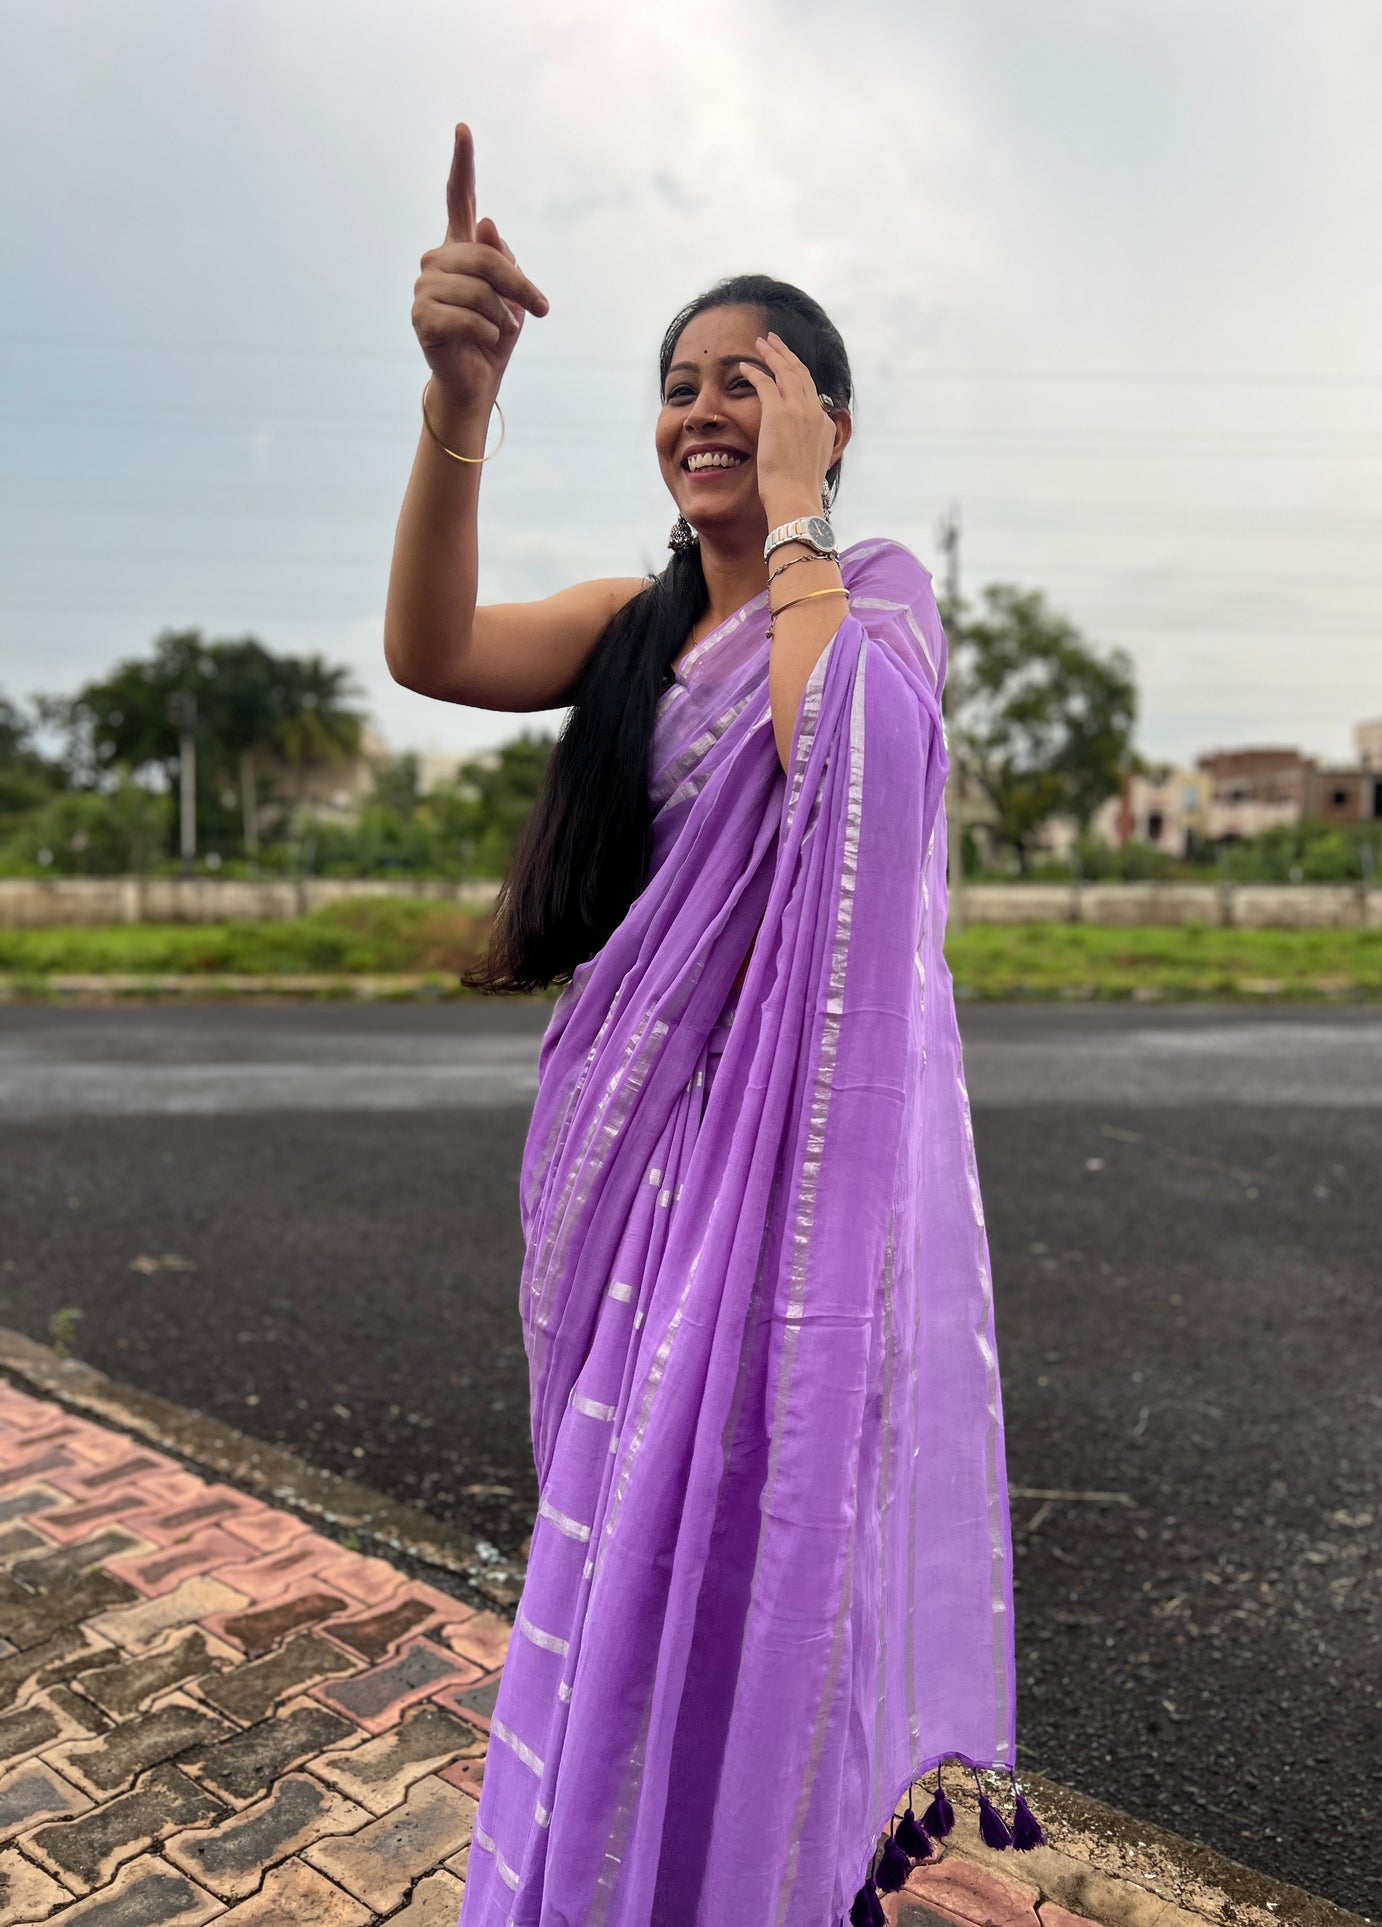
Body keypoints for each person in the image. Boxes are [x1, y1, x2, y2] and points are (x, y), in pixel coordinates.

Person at [385, 122, 1039, 1927]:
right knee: (625, 1537)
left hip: (797, 1182)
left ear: (823, 419)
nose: (696, 412)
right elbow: (431, 651)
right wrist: (459, 401)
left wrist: (812, 527)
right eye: (674, 385)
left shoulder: (872, 605)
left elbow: (841, 784)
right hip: (634, 1174)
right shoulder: (632, 623)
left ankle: (747, 1858)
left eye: (740, 382)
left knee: (764, 1534)